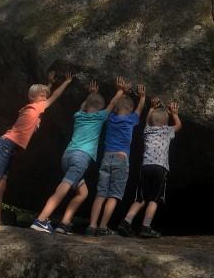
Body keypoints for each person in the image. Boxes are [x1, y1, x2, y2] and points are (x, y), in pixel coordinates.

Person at [0, 71, 73, 226]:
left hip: (9, 149)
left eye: (45, 96)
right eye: (42, 96)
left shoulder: (33, 106)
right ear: (34, 98)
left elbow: (43, 93)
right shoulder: (37, 107)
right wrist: (66, 82)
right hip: (5, 145)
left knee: (0, 187)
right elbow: (53, 96)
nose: (45, 98)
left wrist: (49, 83)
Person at [30, 77, 129, 233]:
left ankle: (64, 223)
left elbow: (85, 106)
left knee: (83, 193)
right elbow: (111, 104)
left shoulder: (78, 116)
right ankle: (41, 219)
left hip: (67, 156)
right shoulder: (101, 116)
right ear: (100, 108)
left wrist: (90, 95)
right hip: (81, 157)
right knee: (64, 186)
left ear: (85, 106)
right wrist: (121, 90)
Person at [87, 82, 146, 236]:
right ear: (130, 110)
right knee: (113, 194)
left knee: (101, 193)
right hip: (121, 157)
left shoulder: (111, 118)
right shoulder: (131, 119)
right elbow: (140, 109)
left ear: (114, 109)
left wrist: (120, 92)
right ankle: (103, 226)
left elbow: (113, 105)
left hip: (106, 157)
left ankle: (92, 225)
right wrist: (143, 97)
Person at [118, 99, 182, 238]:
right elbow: (178, 125)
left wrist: (151, 108)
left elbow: (147, 122)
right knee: (154, 199)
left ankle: (126, 222)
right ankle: (146, 227)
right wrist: (174, 113)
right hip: (160, 168)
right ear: (165, 123)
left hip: (145, 167)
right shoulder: (167, 130)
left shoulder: (147, 130)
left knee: (140, 198)